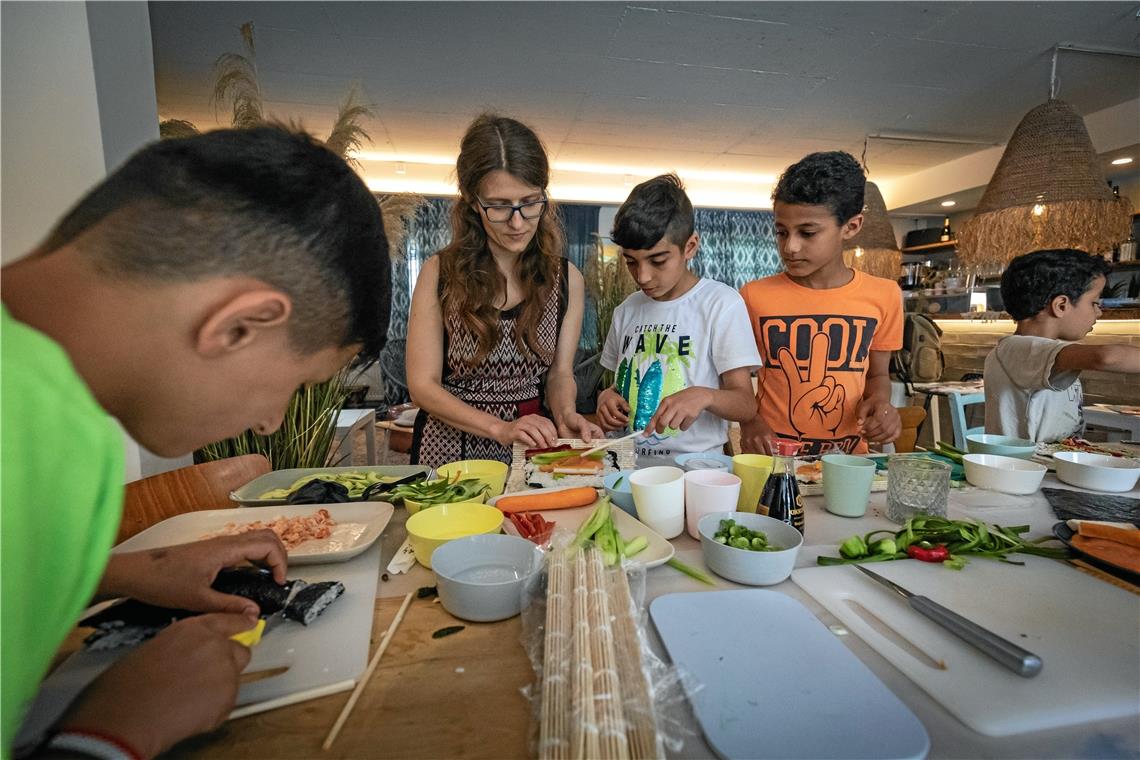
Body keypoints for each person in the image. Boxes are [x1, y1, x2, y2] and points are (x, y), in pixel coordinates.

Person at [1, 126, 391, 760]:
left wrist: (115, 574)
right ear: (239, 325)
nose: (271, 422)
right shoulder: (33, 431)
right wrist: (107, 736)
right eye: (297, 383)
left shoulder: (52, 404)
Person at [406, 113, 601, 468]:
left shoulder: (566, 278)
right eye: (498, 206)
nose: (517, 222)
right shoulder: (440, 273)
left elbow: (559, 374)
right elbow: (422, 385)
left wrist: (565, 414)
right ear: (471, 203)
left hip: (531, 447)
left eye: (530, 202)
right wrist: (499, 428)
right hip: (449, 451)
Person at [739, 151, 903, 456]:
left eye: (808, 232)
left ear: (851, 227)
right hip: (772, 462)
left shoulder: (885, 295)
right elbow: (732, 380)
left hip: (849, 462)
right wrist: (750, 422)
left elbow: (878, 375)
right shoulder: (753, 296)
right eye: (781, 232)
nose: (790, 246)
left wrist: (881, 404)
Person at [595, 174, 760, 464]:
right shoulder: (626, 310)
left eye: (658, 261)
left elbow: (746, 404)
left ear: (690, 246)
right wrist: (606, 399)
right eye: (631, 261)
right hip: (626, 468)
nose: (642, 276)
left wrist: (704, 396)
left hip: (695, 473)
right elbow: (617, 387)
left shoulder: (720, 304)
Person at [984, 248, 1140, 442]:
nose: (1099, 312)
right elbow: (1106, 357)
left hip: (1047, 465)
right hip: (1025, 469)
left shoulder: (1040, 351)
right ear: (1061, 305)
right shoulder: (1017, 349)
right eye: (1094, 303)